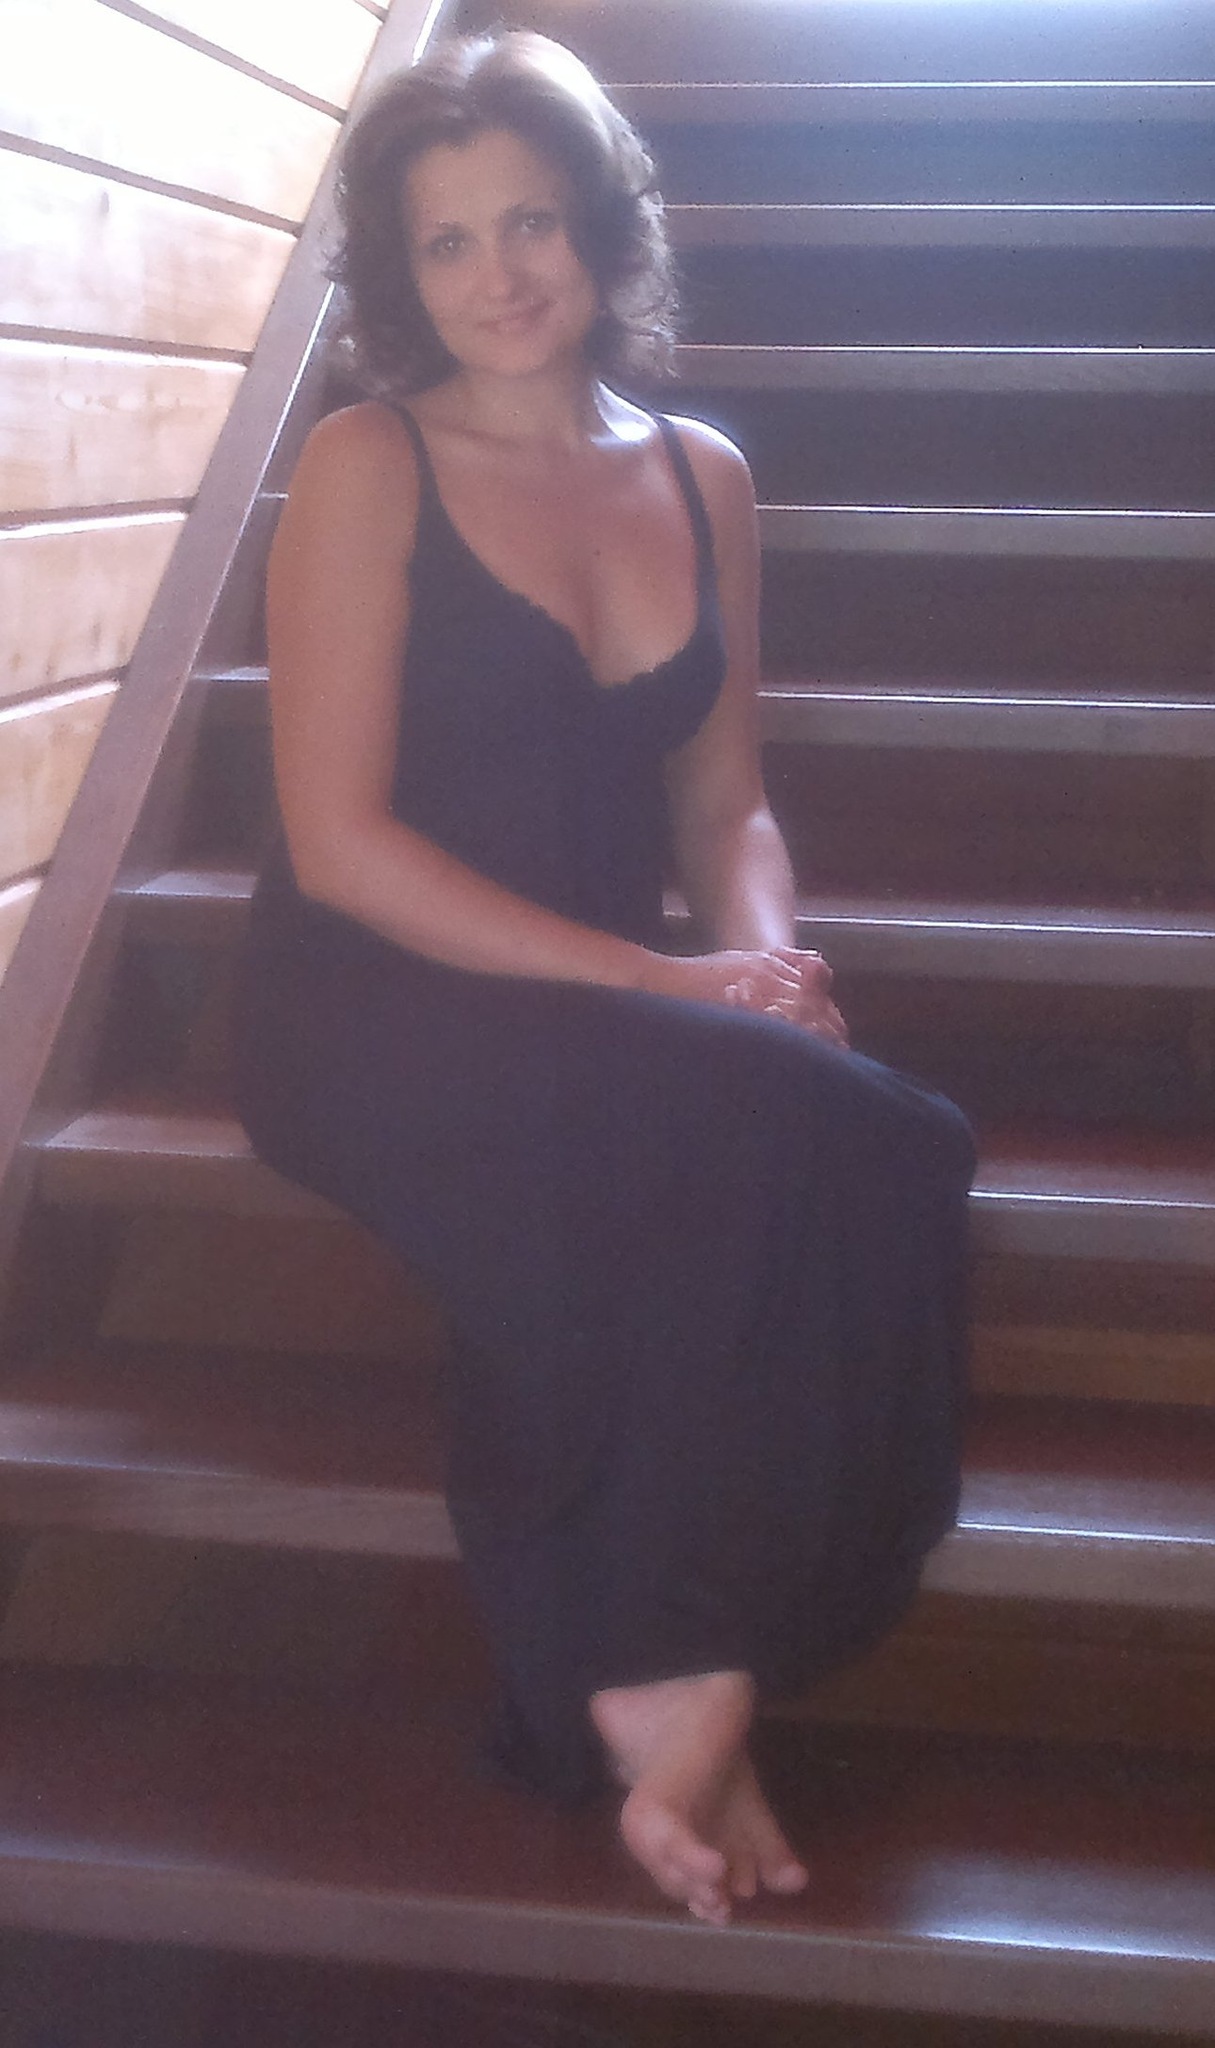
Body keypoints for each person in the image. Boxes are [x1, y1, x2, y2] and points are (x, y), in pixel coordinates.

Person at [235, 28, 975, 1928]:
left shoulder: (703, 476)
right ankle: (665, 1670)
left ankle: (681, 1661)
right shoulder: (364, 463)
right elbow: (341, 848)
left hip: (594, 987)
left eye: (530, 223)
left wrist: (762, 964)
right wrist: (664, 992)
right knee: (707, 1154)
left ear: (598, 229)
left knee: (880, 1134)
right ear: (401, 274)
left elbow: (726, 800)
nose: (498, 273)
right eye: (447, 241)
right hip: (369, 992)